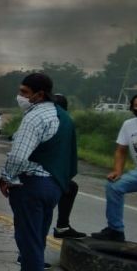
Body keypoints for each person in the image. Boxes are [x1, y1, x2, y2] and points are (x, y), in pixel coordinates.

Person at [0, 72, 76, 271]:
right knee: (38, 238)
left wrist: (7, 177)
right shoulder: (63, 116)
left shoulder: (34, 117)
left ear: (38, 94)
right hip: (53, 186)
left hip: (32, 186)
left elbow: (19, 156)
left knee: (28, 242)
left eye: (24, 92)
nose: (20, 97)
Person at [93, 93, 137, 242]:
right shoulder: (129, 125)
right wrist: (118, 170)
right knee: (114, 186)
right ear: (132, 108)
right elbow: (121, 150)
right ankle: (115, 230)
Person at [51, 94, 85, 239]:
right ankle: (62, 226)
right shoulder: (64, 121)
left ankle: (63, 226)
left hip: (44, 171)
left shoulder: (43, 116)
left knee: (70, 187)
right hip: (41, 175)